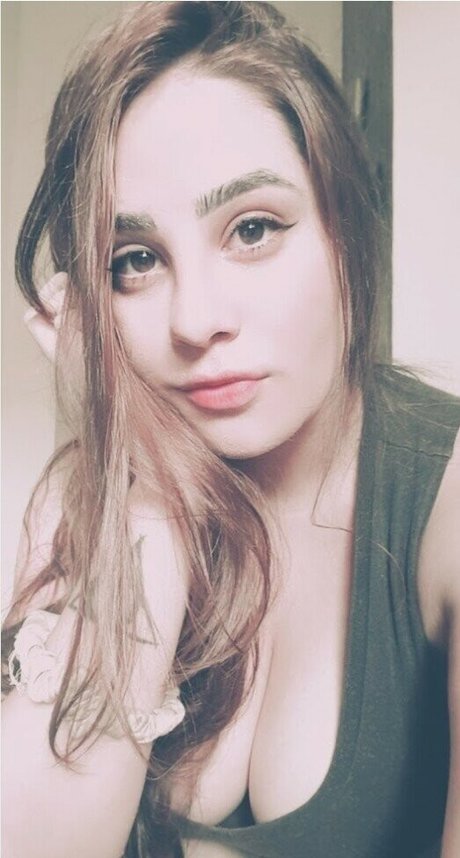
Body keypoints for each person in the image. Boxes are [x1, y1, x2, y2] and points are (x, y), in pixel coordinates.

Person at [2, 3, 459, 857]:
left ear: (344, 229)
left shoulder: (445, 503)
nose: (195, 319)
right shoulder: (80, 500)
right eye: (136, 260)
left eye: (252, 230)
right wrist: (148, 500)